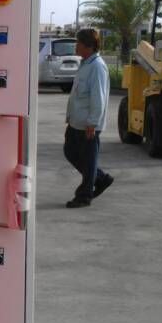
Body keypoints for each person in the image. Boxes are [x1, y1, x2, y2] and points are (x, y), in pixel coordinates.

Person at [64, 28, 113, 208]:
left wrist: (93, 122)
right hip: (76, 122)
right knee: (70, 152)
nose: (76, 46)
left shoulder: (97, 67)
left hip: (88, 124)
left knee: (88, 159)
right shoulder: (85, 64)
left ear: (89, 46)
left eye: (79, 43)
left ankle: (84, 196)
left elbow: (98, 97)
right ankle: (100, 178)